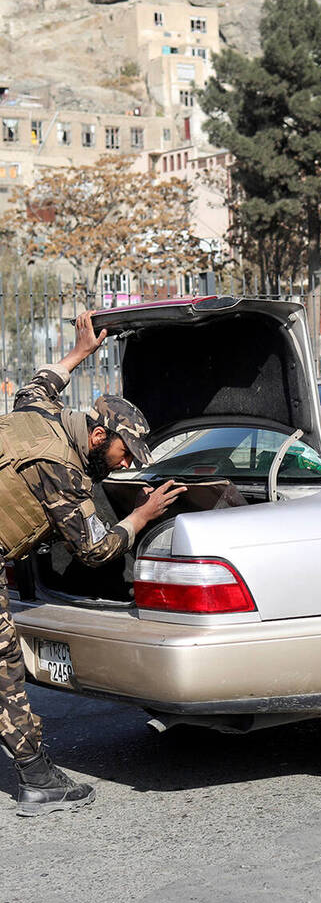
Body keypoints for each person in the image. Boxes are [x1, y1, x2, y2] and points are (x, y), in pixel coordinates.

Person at [0, 311, 185, 816]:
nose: (129, 464)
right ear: (101, 436)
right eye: (128, 452)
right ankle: (38, 777)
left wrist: (81, 352)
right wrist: (144, 514)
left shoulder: (40, 415)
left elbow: (39, 383)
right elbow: (95, 550)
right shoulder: (60, 470)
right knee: (4, 671)